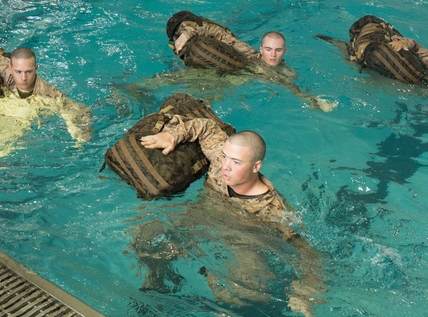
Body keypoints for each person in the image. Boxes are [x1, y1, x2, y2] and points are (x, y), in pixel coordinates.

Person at [139, 121, 324, 315]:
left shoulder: (272, 210)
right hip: (199, 221)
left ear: (256, 166)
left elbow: (309, 253)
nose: (225, 167)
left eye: (236, 162)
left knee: (244, 292)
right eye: (225, 157)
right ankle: (155, 282)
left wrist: (306, 292)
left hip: (239, 243)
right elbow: (205, 127)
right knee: (149, 233)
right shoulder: (222, 162)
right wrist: (172, 135)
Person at [0, 42, 92, 156]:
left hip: (19, 115)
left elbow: (78, 109)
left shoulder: (47, 92)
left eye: (28, 72)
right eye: (18, 72)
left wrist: (79, 131)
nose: (23, 78)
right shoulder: (5, 69)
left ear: (36, 68)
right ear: (10, 69)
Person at [169, 20, 336, 111]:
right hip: (219, 76)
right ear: (261, 49)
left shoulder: (287, 72)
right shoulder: (249, 55)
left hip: (236, 87)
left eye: (278, 50)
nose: (272, 54)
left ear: (284, 51)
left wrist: (312, 100)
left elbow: (292, 87)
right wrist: (188, 34)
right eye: (268, 49)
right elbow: (218, 33)